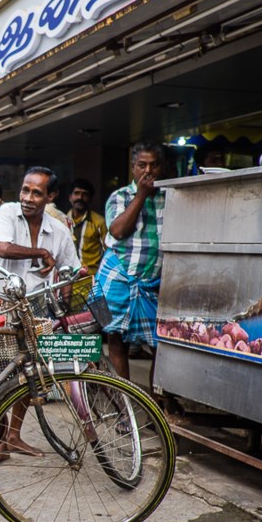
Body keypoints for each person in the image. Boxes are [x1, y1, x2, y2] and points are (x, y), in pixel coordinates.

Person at [0, 167, 80, 463]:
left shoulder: (59, 230)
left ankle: (11, 437)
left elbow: (71, 268)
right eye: (25, 190)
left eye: (37, 193)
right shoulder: (7, 212)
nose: (28, 198)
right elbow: (2, 248)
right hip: (0, 306)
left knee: (29, 375)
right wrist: (40, 253)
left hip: (37, 312)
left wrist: (75, 278)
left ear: (51, 197)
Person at [93, 141, 166, 381]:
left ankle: (155, 400)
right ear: (133, 167)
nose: (148, 171)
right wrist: (141, 196)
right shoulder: (120, 196)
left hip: (152, 283)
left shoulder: (169, 197)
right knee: (115, 339)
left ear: (161, 167)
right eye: (142, 165)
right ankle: (125, 400)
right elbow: (117, 231)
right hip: (117, 277)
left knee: (161, 343)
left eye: (153, 166)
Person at [66, 179, 107, 276]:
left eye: (85, 194)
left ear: (90, 198)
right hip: (68, 280)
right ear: (70, 197)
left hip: (91, 280)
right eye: (76, 193)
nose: (80, 197)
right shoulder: (63, 221)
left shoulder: (99, 222)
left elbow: (108, 252)